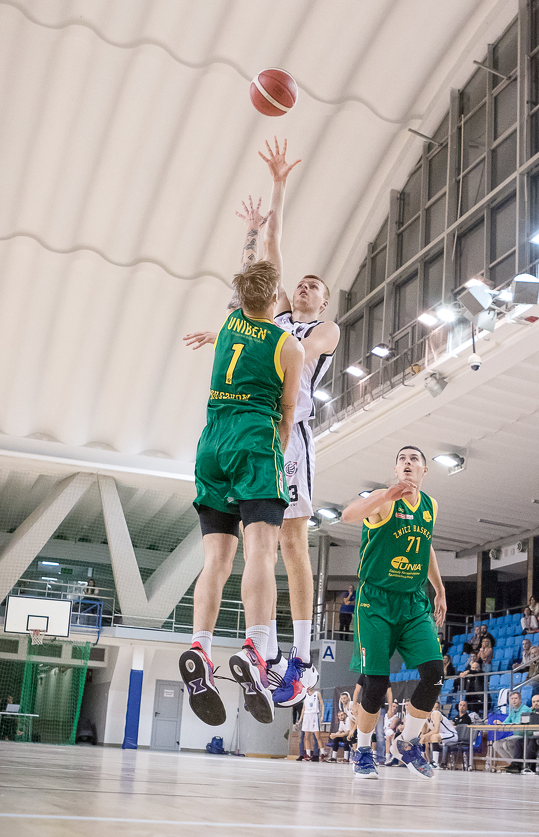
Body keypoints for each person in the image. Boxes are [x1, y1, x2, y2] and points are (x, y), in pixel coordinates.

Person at [178, 257, 304, 727]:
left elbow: (251, 275)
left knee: (216, 561)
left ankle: (200, 647)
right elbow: (287, 412)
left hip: (211, 444)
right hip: (254, 443)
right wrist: (277, 454)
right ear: (273, 298)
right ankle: (254, 648)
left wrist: (253, 235)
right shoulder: (289, 345)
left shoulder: (230, 324)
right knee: (261, 554)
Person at [258, 138, 340, 705]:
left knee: (293, 542)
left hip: (294, 438)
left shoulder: (322, 331)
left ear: (323, 301)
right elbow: (273, 250)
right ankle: (262, 649)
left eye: (315, 287)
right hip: (260, 430)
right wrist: (279, 185)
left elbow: (298, 358)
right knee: (260, 541)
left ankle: (303, 658)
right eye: (302, 284)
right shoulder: (281, 317)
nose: (304, 287)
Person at [341, 445, 447, 779]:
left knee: (434, 673)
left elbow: (426, 546)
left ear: (424, 470)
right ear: (396, 468)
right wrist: (384, 495)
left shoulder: (430, 506)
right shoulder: (384, 500)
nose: (407, 463)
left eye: (414, 459)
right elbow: (347, 515)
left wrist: (440, 589)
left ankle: (407, 742)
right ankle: (362, 751)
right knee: (376, 683)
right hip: (376, 601)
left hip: (413, 602)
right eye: (402, 459)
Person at [492, 692, 531, 773]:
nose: (514, 700)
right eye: (512, 699)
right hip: (515, 736)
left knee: (507, 744)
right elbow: (506, 722)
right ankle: (513, 764)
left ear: (520, 700)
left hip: (524, 736)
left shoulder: (525, 709)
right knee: (496, 744)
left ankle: (519, 765)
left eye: (516, 698)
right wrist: (500, 723)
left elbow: (517, 723)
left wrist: (504, 723)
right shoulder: (513, 711)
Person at [298, 684, 326, 761]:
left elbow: (322, 705)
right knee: (306, 736)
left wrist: (322, 716)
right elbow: (303, 708)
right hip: (306, 716)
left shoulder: (317, 694)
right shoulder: (305, 695)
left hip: (314, 715)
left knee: (317, 736)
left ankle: (323, 753)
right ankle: (308, 754)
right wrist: (300, 719)